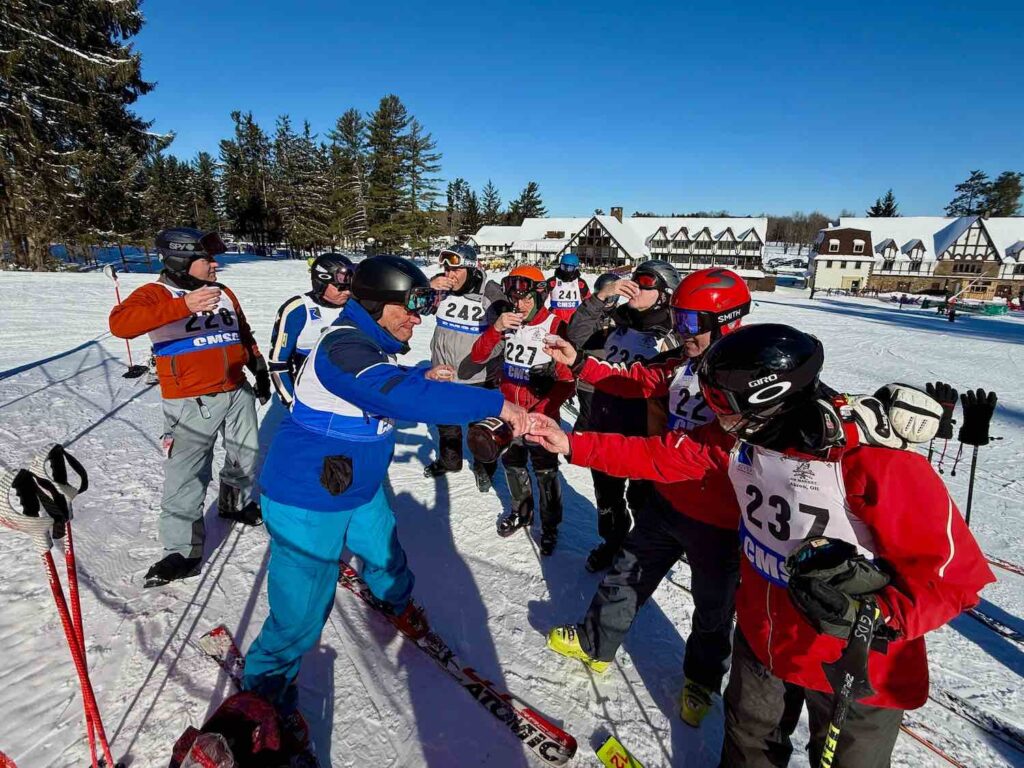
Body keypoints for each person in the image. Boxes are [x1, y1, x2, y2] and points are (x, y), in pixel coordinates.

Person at [528, 323, 995, 768]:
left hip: (850, 655)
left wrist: (883, 617)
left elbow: (953, 574)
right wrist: (571, 443)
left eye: (723, 404)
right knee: (748, 742)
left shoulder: (871, 462)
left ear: (770, 400)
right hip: (764, 636)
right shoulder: (738, 436)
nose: (715, 415)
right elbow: (665, 455)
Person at [243, 255, 528, 724]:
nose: (418, 318)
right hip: (307, 498)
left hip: (356, 484)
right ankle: (263, 696)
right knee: (300, 612)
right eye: (411, 307)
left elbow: (388, 383)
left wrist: (420, 375)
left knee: (383, 547)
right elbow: (386, 393)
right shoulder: (343, 346)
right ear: (377, 304)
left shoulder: (369, 345)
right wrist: (494, 402)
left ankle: (397, 602)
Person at [544, 268, 751, 726]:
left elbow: (684, 455)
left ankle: (700, 678)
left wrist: (578, 445)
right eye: (678, 319)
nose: (681, 331)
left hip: (718, 517)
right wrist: (580, 363)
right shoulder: (686, 360)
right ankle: (595, 642)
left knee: (714, 607)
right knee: (626, 573)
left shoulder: (747, 377)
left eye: (692, 323)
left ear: (728, 321)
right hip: (667, 501)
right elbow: (637, 380)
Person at [109, 227, 271, 588]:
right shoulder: (155, 293)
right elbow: (120, 325)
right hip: (191, 399)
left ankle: (233, 503)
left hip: (236, 389)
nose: (215, 264)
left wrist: (257, 368)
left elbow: (240, 330)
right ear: (182, 260)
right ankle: (181, 550)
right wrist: (183, 305)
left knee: (245, 455)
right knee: (187, 475)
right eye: (206, 259)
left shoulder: (223, 292)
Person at [565, 259, 681, 572]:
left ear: (664, 293)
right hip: (604, 426)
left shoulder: (673, 335)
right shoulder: (616, 320)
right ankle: (612, 542)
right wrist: (602, 296)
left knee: (643, 502)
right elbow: (574, 336)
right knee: (608, 500)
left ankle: (641, 554)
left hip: (646, 436)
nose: (635, 285)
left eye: (646, 282)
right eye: (634, 278)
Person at [469, 265, 575, 555]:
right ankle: (522, 511)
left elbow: (567, 381)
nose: (520, 305)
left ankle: (551, 526)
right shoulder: (508, 321)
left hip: (540, 417)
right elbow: (478, 356)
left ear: (540, 296)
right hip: (509, 414)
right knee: (513, 466)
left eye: (526, 299)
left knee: (546, 474)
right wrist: (496, 329)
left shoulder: (554, 326)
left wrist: (540, 411)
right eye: (515, 298)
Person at [423, 244, 501, 491]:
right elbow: (416, 306)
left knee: (480, 429)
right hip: (443, 373)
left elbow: (504, 318)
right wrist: (428, 287)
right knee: (446, 424)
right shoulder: (443, 289)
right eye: (446, 268)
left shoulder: (488, 289)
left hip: (477, 375)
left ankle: (484, 468)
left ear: (470, 268)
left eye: (455, 269)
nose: (449, 274)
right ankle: (450, 462)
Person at [267, 253, 354, 407]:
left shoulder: (356, 306)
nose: (347, 292)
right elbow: (278, 364)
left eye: (349, 287)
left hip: (351, 398)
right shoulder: (298, 309)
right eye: (340, 287)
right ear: (321, 283)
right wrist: (291, 402)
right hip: (312, 400)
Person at [568, 271, 623, 433]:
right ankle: (577, 451)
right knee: (588, 420)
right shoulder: (590, 313)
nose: (607, 301)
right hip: (590, 382)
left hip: (616, 379)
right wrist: (596, 301)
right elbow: (576, 333)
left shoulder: (622, 316)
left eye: (611, 297)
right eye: (604, 295)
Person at [545, 252, 591, 323]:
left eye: (570, 268)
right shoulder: (552, 282)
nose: (566, 270)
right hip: (555, 320)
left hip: (574, 320)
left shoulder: (580, 283)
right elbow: (540, 298)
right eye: (563, 267)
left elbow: (589, 301)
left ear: (575, 268)